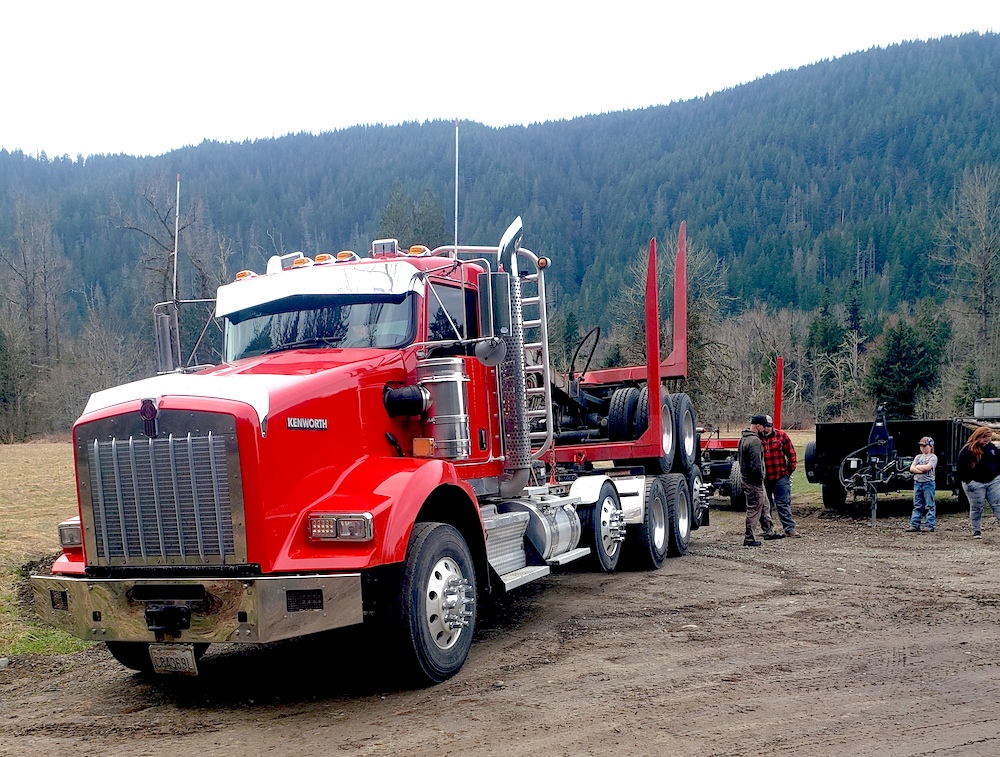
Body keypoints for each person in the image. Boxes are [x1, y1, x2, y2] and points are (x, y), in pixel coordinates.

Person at [739, 415, 783, 547]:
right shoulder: (755, 441)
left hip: (749, 479)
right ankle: (749, 538)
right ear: (758, 426)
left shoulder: (743, 439)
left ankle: (769, 531)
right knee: (754, 508)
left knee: (765, 506)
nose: (765, 430)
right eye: (764, 427)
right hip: (754, 481)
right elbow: (756, 464)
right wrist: (759, 479)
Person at [759, 414, 801, 537]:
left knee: (783, 503)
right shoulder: (757, 438)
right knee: (765, 505)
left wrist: (788, 472)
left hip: (780, 476)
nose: (766, 429)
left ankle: (789, 529)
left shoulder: (782, 436)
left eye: (768, 426)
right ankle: (767, 530)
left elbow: (791, 454)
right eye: (765, 426)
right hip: (764, 477)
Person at [957, 426, 1000, 539]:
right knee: (977, 506)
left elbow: (998, 460)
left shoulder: (991, 447)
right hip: (975, 484)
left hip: (993, 481)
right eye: (985, 438)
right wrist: (969, 481)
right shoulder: (967, 450)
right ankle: (976, 530)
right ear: (978, 437)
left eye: (989, 438)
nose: (987, 441)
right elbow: (961, 468)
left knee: (997, 504)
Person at [906, 436, 938, 532]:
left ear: (930, 446)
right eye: (921, 446)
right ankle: (915, 524)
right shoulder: (918, 457)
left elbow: (927, 468)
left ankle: (929, 525)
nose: (922, 448)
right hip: (918, 483)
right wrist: (921, 469)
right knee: (917, 505)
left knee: (929, 504)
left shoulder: (933, 457)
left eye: (925, 446)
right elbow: (912, 469)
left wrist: (918, 468)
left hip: (928, 483)